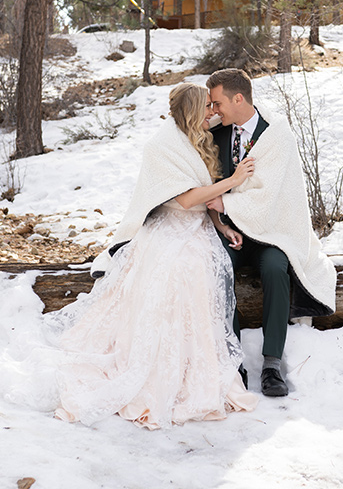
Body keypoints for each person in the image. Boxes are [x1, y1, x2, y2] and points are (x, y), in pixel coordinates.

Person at [2, 83, 258, 429]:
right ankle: (155, 368)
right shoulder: (163, 145)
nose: (213, 112)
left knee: (198, 269)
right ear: (192, 112)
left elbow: (204, 197)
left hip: (198, 226)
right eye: (207, 108)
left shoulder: (198, 137)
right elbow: (184, 200)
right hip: (169, 225)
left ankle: (194, 366)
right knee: (174, 268)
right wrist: (234, 180)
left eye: (215, 106)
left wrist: (223, 227)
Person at [205, 69, 337, 398]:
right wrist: (222, 220)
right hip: (230, 231)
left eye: (217, 102)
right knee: (216, 266)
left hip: (271, 233)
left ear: (239, 98)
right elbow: (205, 186)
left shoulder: (276, 136)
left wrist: (226, 202)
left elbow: (278, 194)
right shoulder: (215, 135)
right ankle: (232, 358)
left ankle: (272, 363)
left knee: (278, 270)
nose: (214, 109)